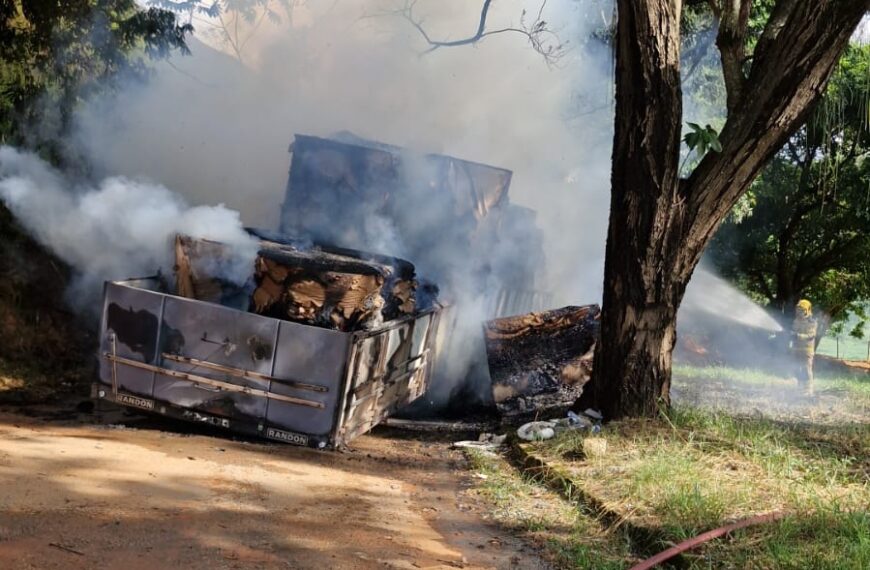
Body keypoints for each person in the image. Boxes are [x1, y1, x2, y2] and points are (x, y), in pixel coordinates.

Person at [791, 299, 817, 396]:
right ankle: (800, 387)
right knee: (797, 369)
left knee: (806, 369)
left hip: (807, 350)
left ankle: (809, 390)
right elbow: (793, 331)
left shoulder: (812, 323)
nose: (798, 312)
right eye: (798, 310)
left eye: (801, 310)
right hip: (796, 349)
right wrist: (791, 334)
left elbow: (811, 335)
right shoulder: (795, 321)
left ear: (806, 310)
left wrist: (799, 336)